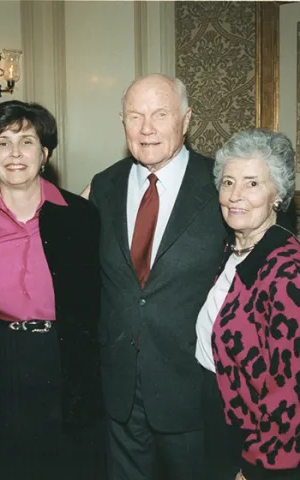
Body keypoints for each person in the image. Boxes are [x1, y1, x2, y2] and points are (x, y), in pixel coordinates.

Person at [0, 100, 105, 480]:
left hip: (64, 360)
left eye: (27, 141)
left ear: (45, 153)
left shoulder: (83, 216)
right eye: (2, 143)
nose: (15, 153)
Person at [89, 74, 227, 479]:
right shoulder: (104, 185)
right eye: (135, 116)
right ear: (122, 123)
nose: (147, 128)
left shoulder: (222, 184)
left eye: (160, 114)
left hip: (193, 391)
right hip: (119, 394)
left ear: (185, 120)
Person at [196, 129, 300, 480]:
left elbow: (289, 390)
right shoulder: (234, 250)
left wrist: (256, 468)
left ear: (278, 194)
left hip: (259, 450)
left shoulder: (287, 270)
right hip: (221, 425)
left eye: (252, 183)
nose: (235, 195)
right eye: (228, 182)